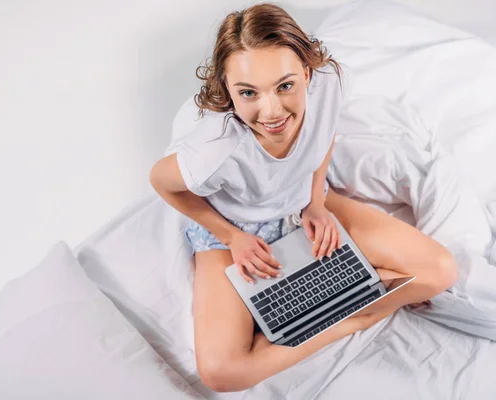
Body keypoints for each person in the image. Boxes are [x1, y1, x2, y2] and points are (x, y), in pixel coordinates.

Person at [149, 3, 457, 393]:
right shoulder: (213, 149)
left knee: (440, 270)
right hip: (235, 229)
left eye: (286, 86)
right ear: (228, 89)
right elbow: (161, 182)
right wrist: (232, 237)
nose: (271, 110)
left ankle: (327, 315)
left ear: (307, 74)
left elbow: (322, 133)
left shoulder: (327, 83)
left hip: (301, 204)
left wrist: (315, 201)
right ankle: (352, 318)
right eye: (248, 93)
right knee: (222, 373)